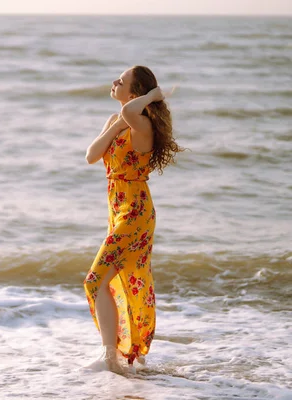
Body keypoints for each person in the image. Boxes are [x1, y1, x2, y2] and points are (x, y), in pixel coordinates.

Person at [82, 65, 183, 374]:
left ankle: (111, 355)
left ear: (135, 94)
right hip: (118, 209)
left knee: (95, 280)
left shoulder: (143, 126)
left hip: (135, 212)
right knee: (105, 282)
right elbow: (91, 155)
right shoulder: (117, 121)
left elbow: (129, 113)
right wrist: (112, 128)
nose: (114, 82)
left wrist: (153, 96)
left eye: (121, 81)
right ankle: (112, 355)